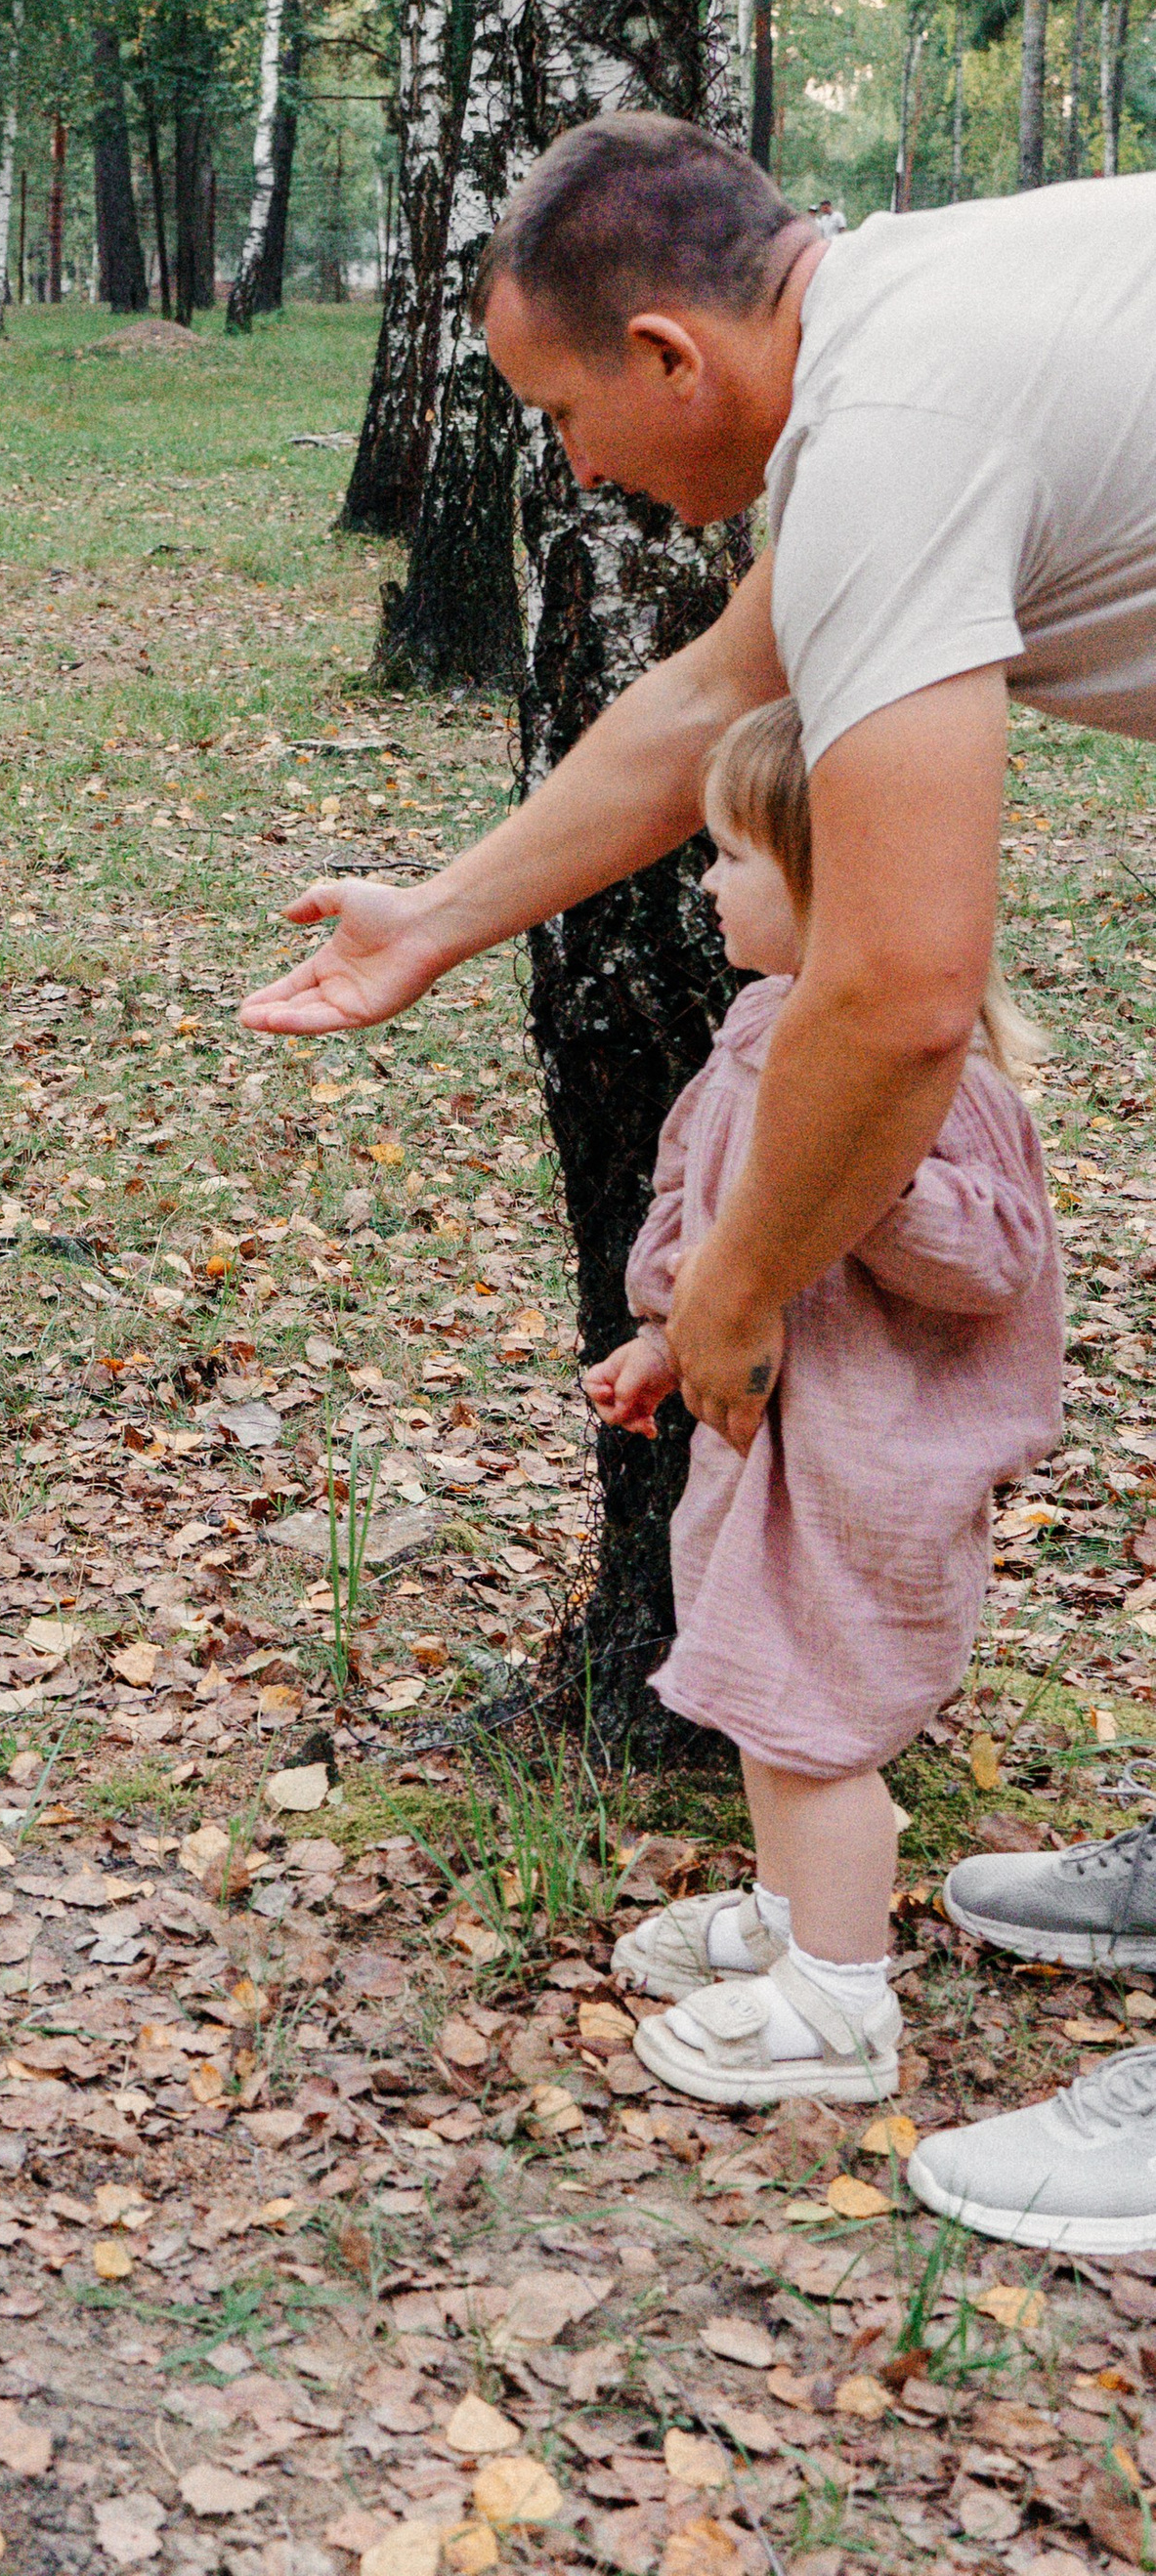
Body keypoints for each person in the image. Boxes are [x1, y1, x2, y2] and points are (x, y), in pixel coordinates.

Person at [239, 112, 1156, 2242]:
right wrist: (437, 914)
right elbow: (709, 700)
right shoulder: (896, 326)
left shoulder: (900, 420)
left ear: (665, 351)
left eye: (560, 414)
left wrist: (730, 1291)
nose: (564, 471)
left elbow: (900, 988)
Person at [586, 697, 1060, 2108]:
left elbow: (994, 1258)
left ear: (834, 882)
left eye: (734, 856)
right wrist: (668, 1332)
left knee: (818, 1725)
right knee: (764, 1698)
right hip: (765, 1452)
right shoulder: (756, 1028)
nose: (708, 883)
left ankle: (841, 2008)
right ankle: (795, 1926)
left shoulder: (928, 1078)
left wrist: (873, 1178)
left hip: (868, 1467)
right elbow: (702, 1198)